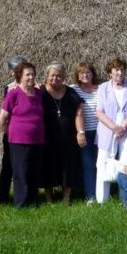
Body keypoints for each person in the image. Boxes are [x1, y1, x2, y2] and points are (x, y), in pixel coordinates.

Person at [0, 62, 44, 207]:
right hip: (18, 140)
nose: (31, 77)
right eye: (27, 75)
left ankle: (32, 200)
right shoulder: (13, 94)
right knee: (21, 172)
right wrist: (10, 132)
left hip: (37, 139)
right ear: (20, 76)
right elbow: (2, 119)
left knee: (34, 171)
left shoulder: (38, 94)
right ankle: (21, 202)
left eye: (32, 74)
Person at [95, 58, 127, 203]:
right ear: (110, 72)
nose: (120, 73)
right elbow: (99, 112)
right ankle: (102, 199)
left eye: (122, 70)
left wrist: (123, 127)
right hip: (108, 132)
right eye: (116, 70)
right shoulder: (103, 88)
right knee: (102, 164)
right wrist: (114, 127)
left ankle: (124, 197)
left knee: (126, 163)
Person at [40, 62, 85, 204]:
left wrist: (80, 131)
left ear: (64, 77)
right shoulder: (40, 92)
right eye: (52, 75)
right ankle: (48, 198)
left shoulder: (70, 92)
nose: (55, 78)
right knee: (47, 166)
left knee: (68, 166)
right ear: (47, 77)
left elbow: (79, 111)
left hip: (68, 138)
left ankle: (66, 197)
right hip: (46, 138)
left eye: (59, 76)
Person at [0, 55, 27, 204]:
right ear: (10, 71)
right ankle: (2, 198)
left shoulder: (32, 86)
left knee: (22, 166)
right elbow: (5, 111)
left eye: (21, 68)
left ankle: (21, 196)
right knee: (7, 165)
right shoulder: (8, 88)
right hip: (11, 131)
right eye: (15, 69)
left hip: (25, 134)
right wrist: (7, 131)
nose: (18, 71)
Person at [71, 62, 99, 204]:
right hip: (85, 133)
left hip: (101, 133)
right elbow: (54, 90)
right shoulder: (74, 89)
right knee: (88, 165)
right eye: (81, 73)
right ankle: (90, 196)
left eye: (88, 72)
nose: (85, 75)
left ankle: (102, 194)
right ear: (78, 76)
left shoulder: (101, 89)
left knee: (101, 164)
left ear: (93, 74)